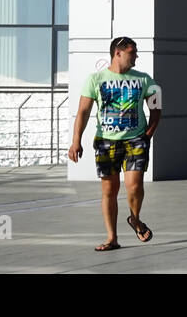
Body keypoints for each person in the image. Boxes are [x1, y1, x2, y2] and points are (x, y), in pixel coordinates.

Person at [68, 36, 162, 252]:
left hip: (136, 140)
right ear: (118, 53)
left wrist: (147, 135)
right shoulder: (95, 79)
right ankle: (112, 238)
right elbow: (83, 112)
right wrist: (76, 142)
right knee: (109, 189)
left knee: (135, 185)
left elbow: (156, 111)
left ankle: (135, 219)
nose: (136, 55)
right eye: (133, 52)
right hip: (106, 141)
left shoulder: (146, 80)